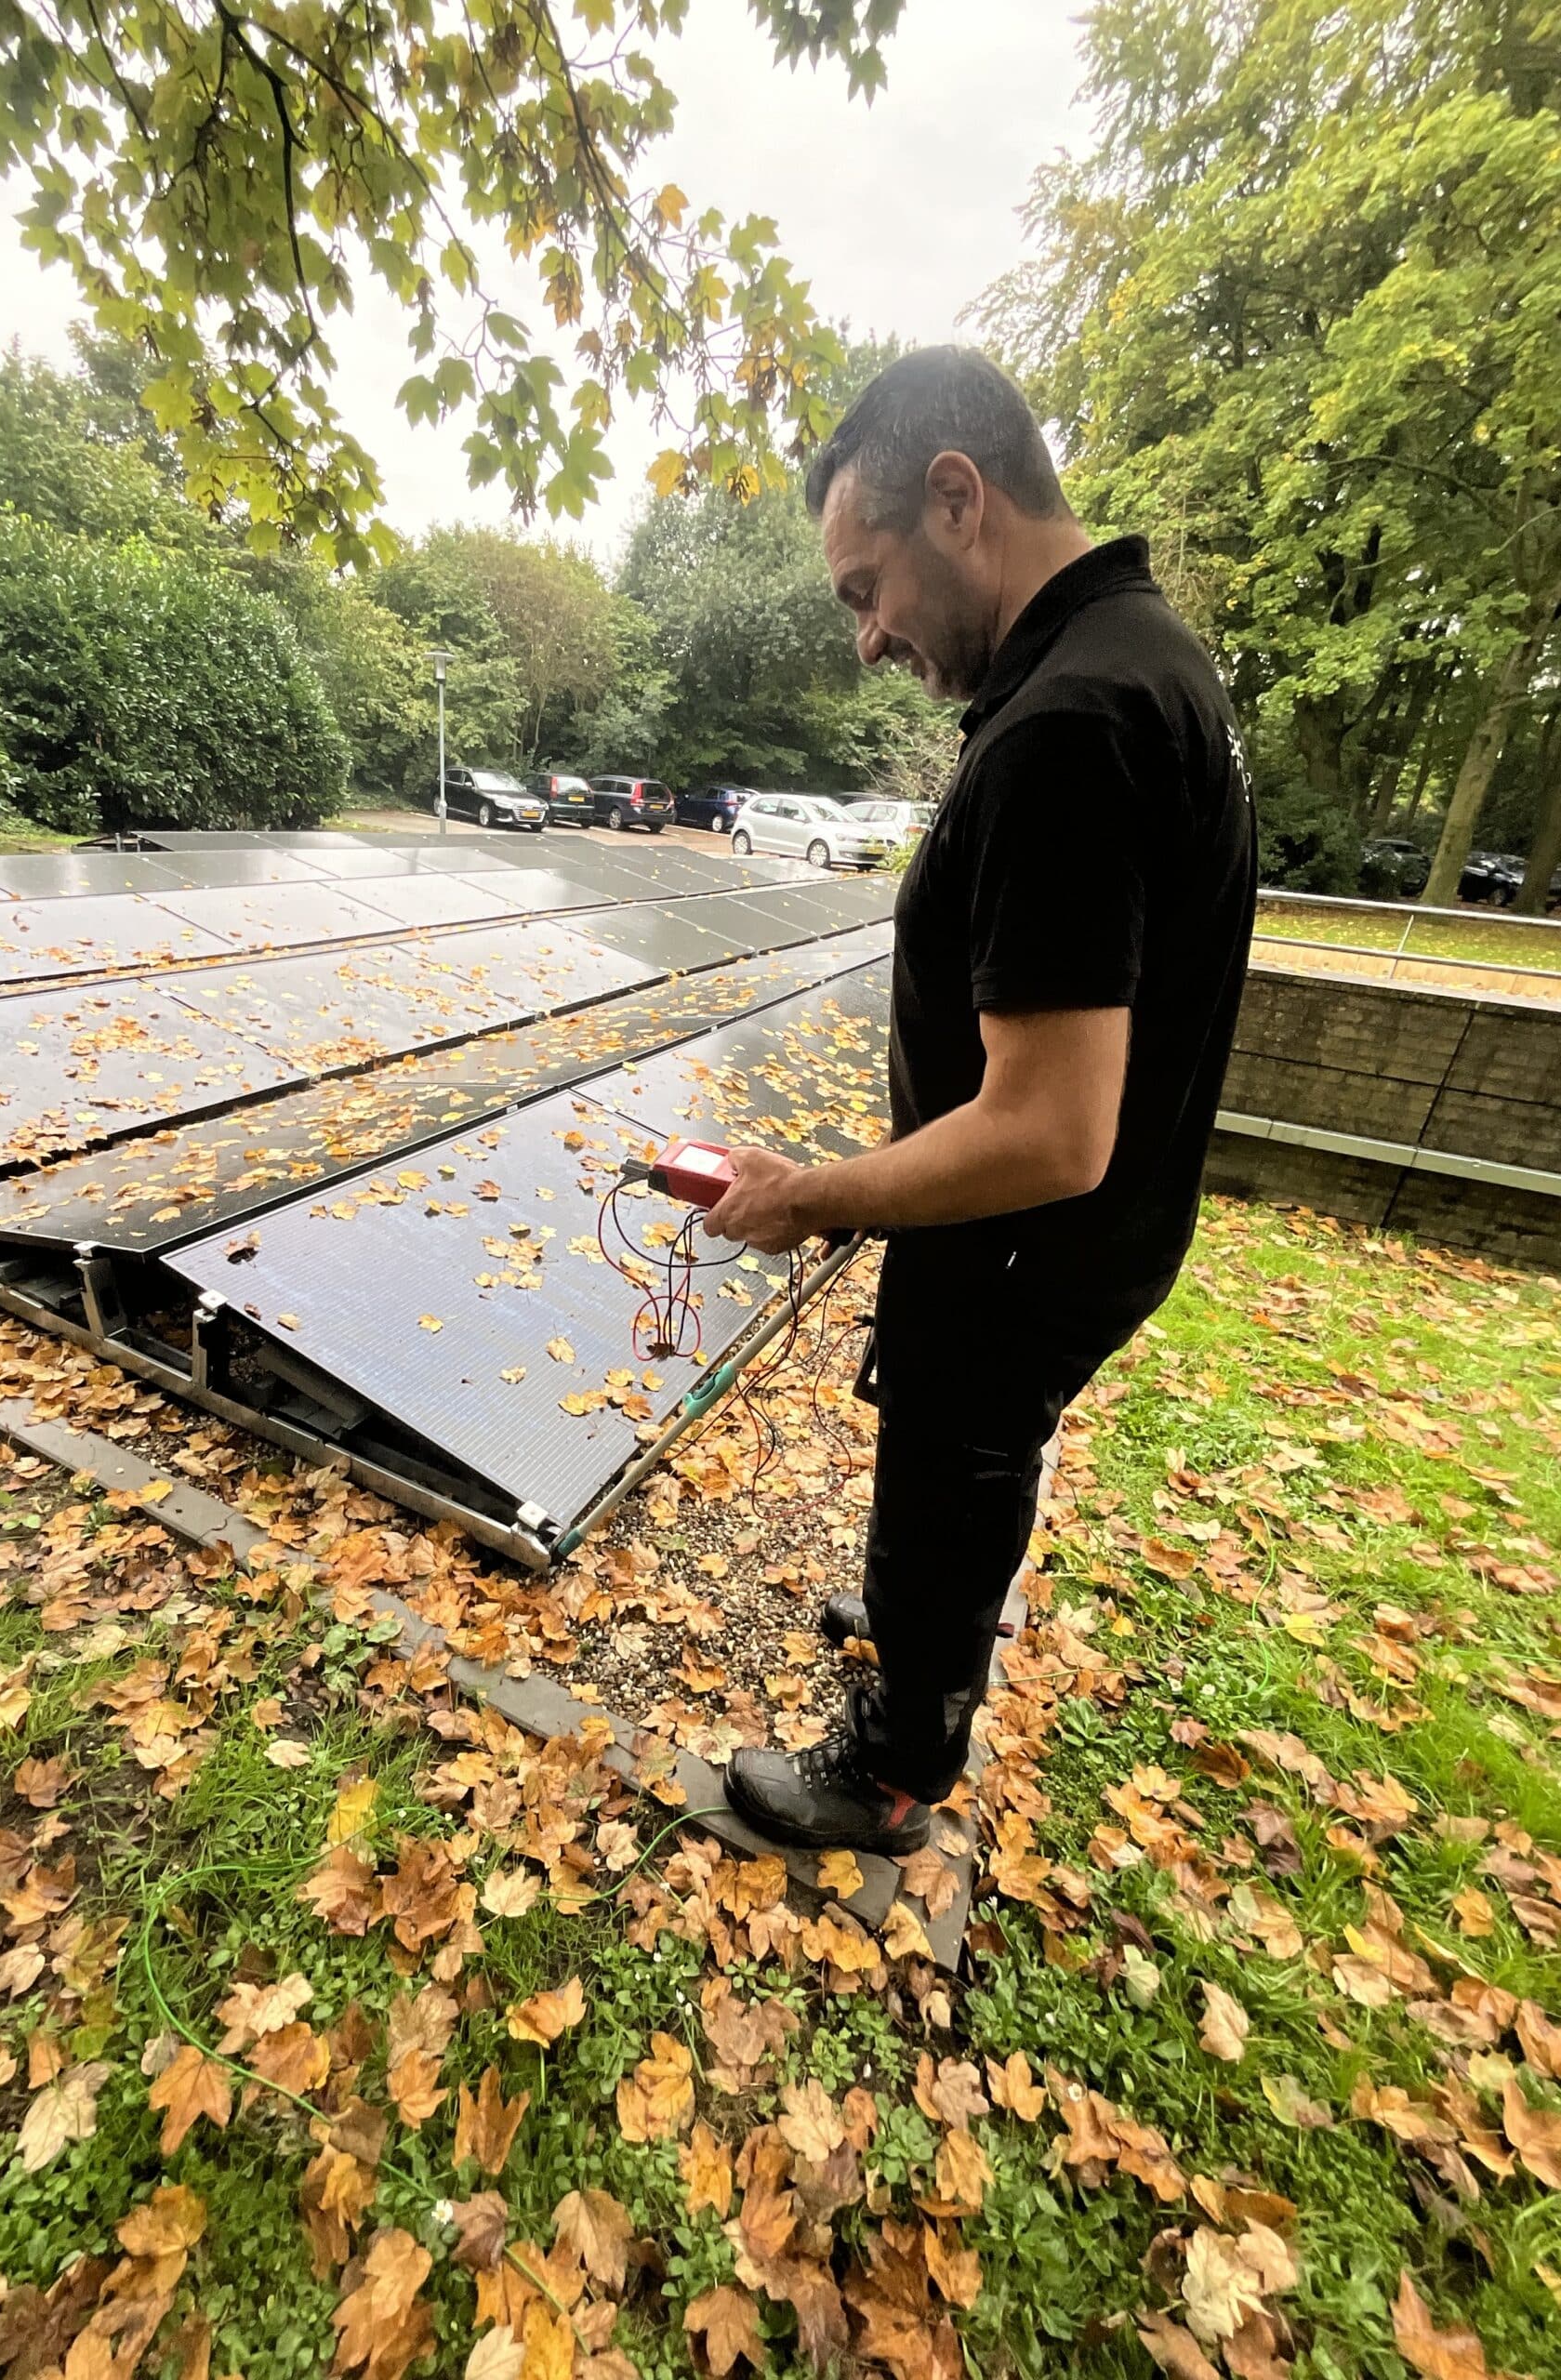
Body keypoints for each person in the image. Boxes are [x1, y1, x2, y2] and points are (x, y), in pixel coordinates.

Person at [700, 347, 1257, 1855]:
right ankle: (920, 1617)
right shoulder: (1151, 662)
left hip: (1025, 1238)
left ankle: (891, 1765)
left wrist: (809, 1192)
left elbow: (1047, 1128)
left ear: (957, 498)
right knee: (967, 1453)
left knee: (954, 1437)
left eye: (864, 587)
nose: (868, 639)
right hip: (1100, 1234)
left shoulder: (1070, 727)